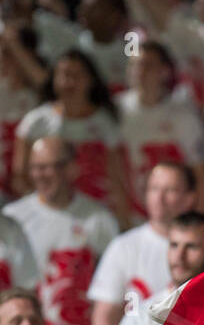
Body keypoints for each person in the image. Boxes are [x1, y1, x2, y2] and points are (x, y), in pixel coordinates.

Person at [4, 137, 116, 325]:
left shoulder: (99, 219)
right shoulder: (12, 219)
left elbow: (117, 289)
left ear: (71, 168)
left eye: (49, 166)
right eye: (35, 167)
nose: (41, 174)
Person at [87, 161, 197, 325]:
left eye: (170, 190)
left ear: (189, 199)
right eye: (154, 189)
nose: (159, 198)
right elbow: (103, 316)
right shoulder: (123, 247)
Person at [13, 51, 127, 220]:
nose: (70, 82)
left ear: (91, 80)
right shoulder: (35, 122)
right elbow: (19, 177)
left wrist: (123, 215)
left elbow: (117, 177)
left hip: (95, 215)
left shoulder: (105, 122)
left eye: (77, 75)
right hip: (49, 213)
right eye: (64, 74)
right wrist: (43, 207)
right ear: (54, 80)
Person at [116, 41, 204, 220]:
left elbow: (202, 174)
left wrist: (198, 218)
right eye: (134, 65)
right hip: (135, 213)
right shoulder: (117, 111)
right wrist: (122, 213)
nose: (139, 72)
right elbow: (113, 166)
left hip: (178, 214)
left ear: (165, 71)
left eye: (147, 65)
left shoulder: (184, 115)